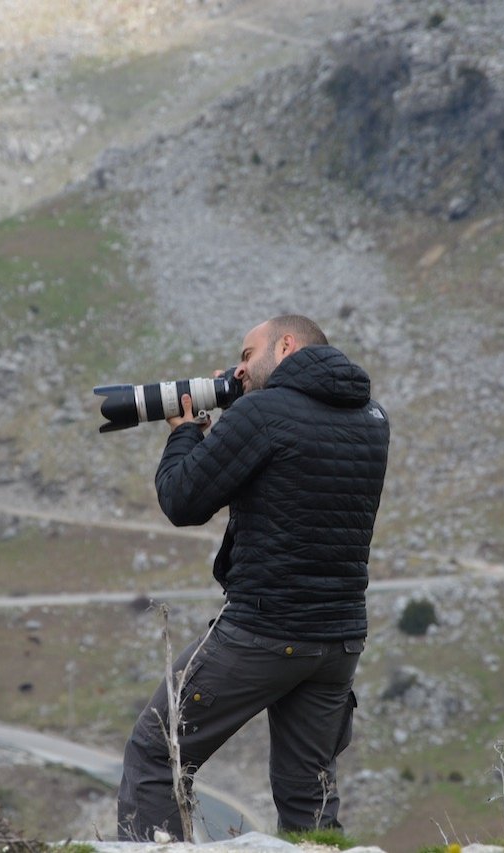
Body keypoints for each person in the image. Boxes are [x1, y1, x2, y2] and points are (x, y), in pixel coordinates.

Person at [116, 314, 391, 841]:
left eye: (247, 355)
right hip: (336, 643)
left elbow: (183, 500)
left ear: (285, 345)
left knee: (157, 753)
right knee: (308, 796)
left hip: (265, 633)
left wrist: (186, 435)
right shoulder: (371, 417)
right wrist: (247, 404)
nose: (238, 369)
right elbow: (298, 458)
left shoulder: (265, 415)